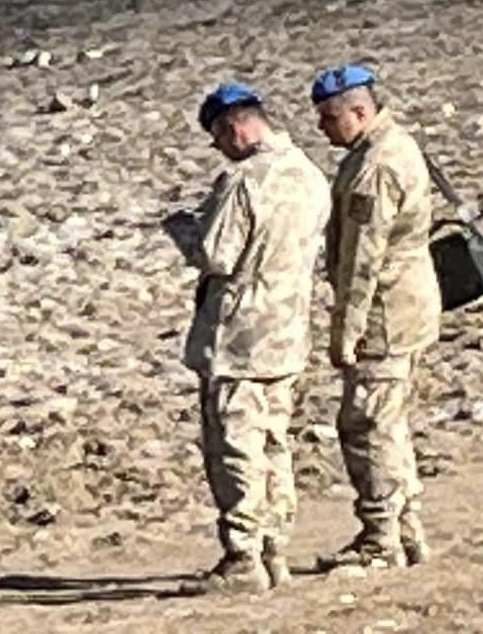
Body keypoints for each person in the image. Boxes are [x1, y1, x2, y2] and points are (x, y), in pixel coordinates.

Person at [164, 81, 331, 594]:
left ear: (236, 125)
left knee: (236, 445)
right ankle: (274, 547)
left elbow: (217, 253)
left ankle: (243, 556)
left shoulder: (246, 181)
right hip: (287, 333)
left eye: (218, 135)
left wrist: (182, 228)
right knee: (275, 443)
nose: (218, 147)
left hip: (240, 337)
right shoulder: (309, 174)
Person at [311, 62, 441, 571]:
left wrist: (346, 333)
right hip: (408, 306)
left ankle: (381, 537)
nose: (323, 128)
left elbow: (362, 261)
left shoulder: (376, 167)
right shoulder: (391, 146)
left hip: (386, 314)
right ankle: (405, 531)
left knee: (367, 424)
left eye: (329, 117)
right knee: (388, 422)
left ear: (359, 111)